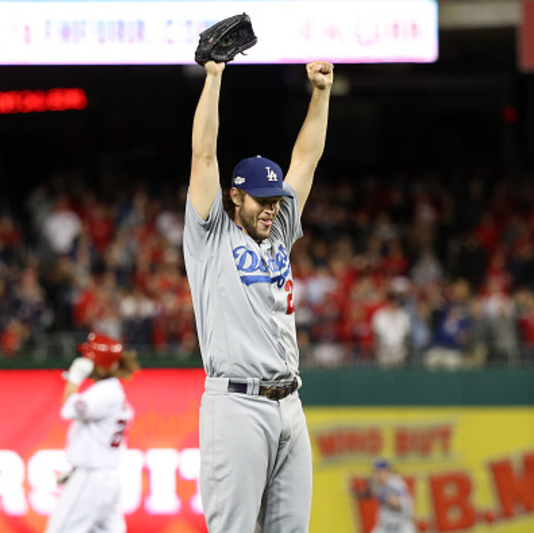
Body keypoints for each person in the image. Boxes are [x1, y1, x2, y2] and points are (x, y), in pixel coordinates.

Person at [183, 59, 333, 532]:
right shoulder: (211, 237)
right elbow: (203, 156)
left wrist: (322, 93)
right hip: (237, 405)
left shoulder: (280, 229)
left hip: (290, 402)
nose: (271, 208)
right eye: (261, 200)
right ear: (235, 197)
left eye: (274, 200)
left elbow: (306, 159)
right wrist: (213, 76)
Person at [44, 332, 139, 533]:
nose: (84, 360)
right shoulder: (113, 391)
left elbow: (68, 408)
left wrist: (74, 378)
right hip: (106, 477)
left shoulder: (105, 391)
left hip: (92, 477)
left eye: (89, 357)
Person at [354, 459, 416, 533]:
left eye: (379, 472)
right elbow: (369, 494)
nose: (377, 474)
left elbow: (397, 504)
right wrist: (355, 492)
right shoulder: (381, 484)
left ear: (388, 471)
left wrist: (382, 494)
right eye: (376, 471)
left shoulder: (396, 483)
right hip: (385, 527)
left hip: (400, 528)